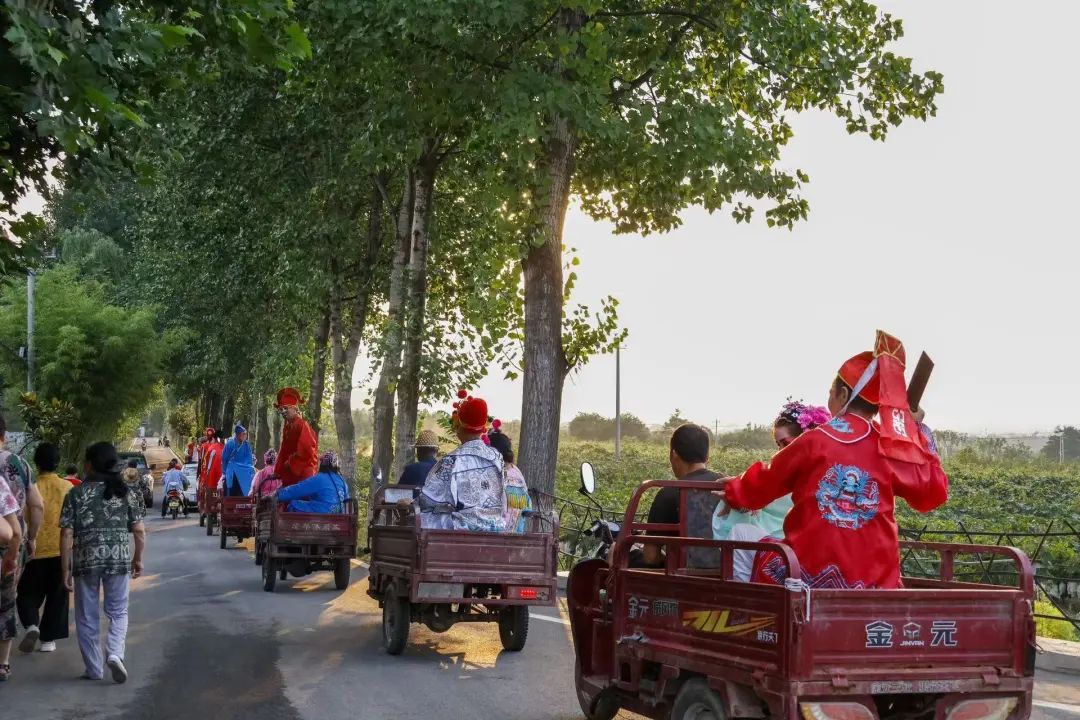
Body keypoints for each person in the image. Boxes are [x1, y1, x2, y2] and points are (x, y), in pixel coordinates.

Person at [717, 331, 949, 590]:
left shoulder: (816, 440)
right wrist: (916, 431)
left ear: (842, 393)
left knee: (741, 536)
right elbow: (932, 493)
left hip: (810, 577)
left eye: (830, 392)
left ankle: (749, 616)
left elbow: (762, 484)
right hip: (877, 584)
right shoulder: (892, 446)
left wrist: (734, 489)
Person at [713, 400, 829, 580]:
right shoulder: (831, 467)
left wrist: (739, 494)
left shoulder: (790, 472)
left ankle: (745, 601)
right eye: (778, 445)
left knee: (739, 533)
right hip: (815, 547)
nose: (782, 451)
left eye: (786, 443)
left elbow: (760, 488)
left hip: (800, 550)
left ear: (804, 440)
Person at [60, 442, 146, 683]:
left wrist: (64, 568)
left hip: (85, 560)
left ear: (88, 465)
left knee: (87, 616)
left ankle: (94, 669)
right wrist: (137, 559)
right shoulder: (125, 493)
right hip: (118, 560)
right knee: (118, 612)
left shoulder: (75, 493)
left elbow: (66, 533)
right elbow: (139, 531)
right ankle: (115, 653)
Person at [418, 391, 507, 532]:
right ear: (483, 427)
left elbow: (428, 500)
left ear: (459, 426)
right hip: (495, 527)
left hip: (462, 529)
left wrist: (412, 503)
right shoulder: (497, 458)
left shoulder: (452, 461)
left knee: (423, 517)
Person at [638, 423, 722, 567]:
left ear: (674, 454)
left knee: (616, 550)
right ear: (707, 455)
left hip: (681, 579)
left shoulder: (668, 494)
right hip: (727, 575)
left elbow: (650, 557)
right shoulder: (728, 486)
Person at [17, 443, 72, 654]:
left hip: (33, 550)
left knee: (26, 594)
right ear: (57, 463)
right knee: (57, 597)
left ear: (36, 463)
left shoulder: (30, 487)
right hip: (61, 550)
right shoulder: (67, 488)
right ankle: (48, 641)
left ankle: (32, 624)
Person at [0, 417, 43, 681]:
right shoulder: (18, 464)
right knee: (5, 602)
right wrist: (33, 537)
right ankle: (3, 663)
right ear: (4, 434)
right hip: (13, 545)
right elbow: (37, 505)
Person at [486, 423, 531, 533]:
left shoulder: (492, 472)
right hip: (515, 535)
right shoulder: (516, 471)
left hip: (493, 537)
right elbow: (527, 506)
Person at [275, 451, 350, 514]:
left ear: (322, 464)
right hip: (339, 515)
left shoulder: (320, 478)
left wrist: (279, 494)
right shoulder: (342, 481)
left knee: (293, 504)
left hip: (322, 514)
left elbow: (298, 490)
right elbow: (346, 500)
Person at [273, 388, 318, 487]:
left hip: (303, 473)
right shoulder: (287, 427)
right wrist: (277, 470)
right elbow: (283, 451)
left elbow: (306, 449)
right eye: (281, 410)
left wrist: (290, 462)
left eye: (286, 408)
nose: (283, 412)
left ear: (294, 408)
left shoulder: (302, 425)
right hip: (291, 473)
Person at [220, 424, 256, 497]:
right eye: (243, 434)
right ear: (238, 435)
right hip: (232, 471)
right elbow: (224, 458)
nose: (245, 436)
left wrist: (251, 466)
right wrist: (224, 472)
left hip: (244, 470)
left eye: (245, 434)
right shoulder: (230, 443)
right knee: (230, 485)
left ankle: (247, 497)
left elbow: (249, 458)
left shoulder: (246, 444)